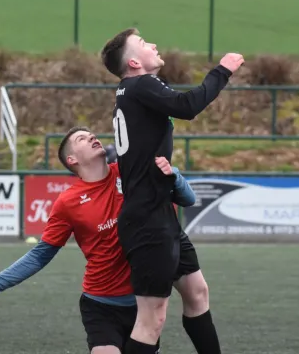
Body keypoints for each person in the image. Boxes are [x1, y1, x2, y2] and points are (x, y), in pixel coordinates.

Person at [0, 127, 196, 354]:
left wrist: (173, 174)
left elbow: (187, 199)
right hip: (101, 304)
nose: (92, 137)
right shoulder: (68, 202)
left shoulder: (131, 175)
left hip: (144, 302)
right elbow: (40, 255)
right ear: (72, 159)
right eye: (82, 139)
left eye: (91, 135)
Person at [100, 28, 244, 354]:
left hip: (157, 214)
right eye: (143, 43)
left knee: (197, 293)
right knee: (152, 318)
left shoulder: (131, 90)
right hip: (148, 220)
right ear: (134, 62)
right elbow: (188, 105)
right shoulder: (141, 85)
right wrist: (221, 71)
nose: (152, 43)